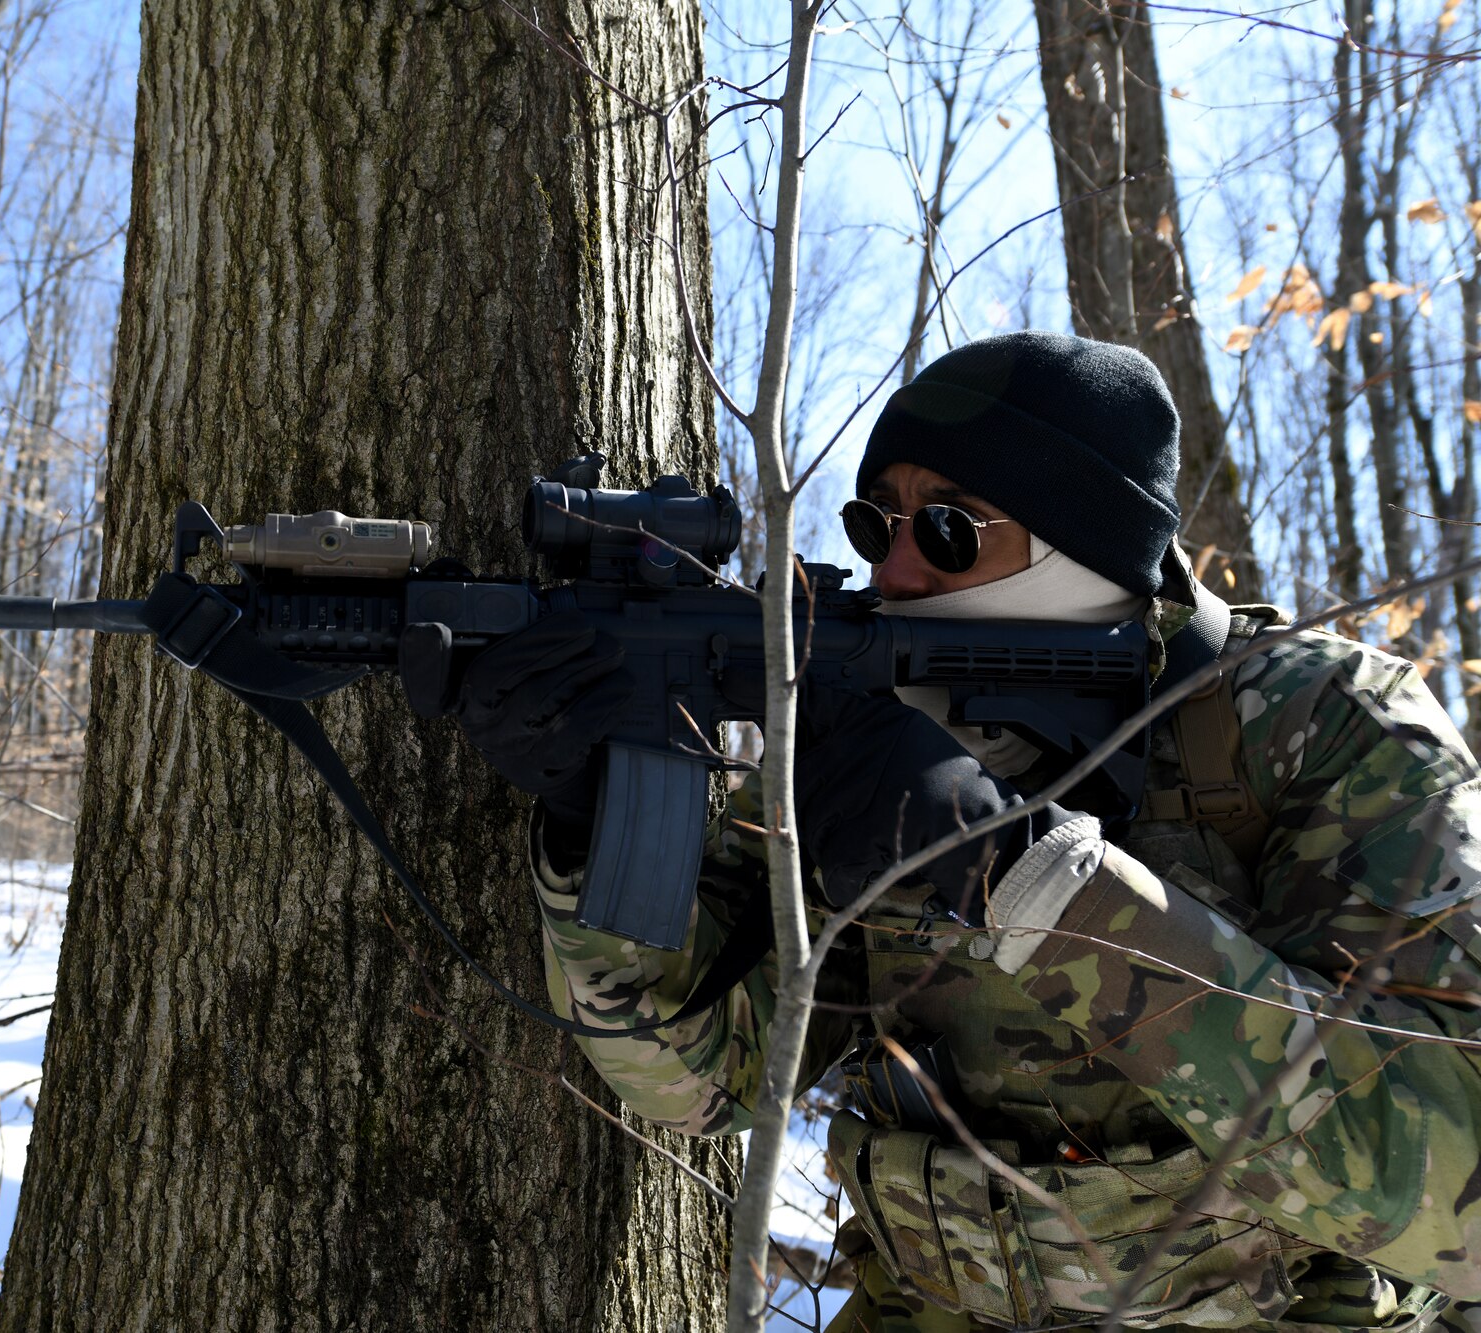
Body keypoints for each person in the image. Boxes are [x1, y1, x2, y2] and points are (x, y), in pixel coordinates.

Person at [454, 331, 1481, 1331]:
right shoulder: (875, 728)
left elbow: (1454, 1195)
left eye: (946, 530)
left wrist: (1014, 876)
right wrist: (594, 821)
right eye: (874, 526)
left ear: (1080, 541)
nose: (893, 572)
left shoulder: (1319, 724)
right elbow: (701, 1079)